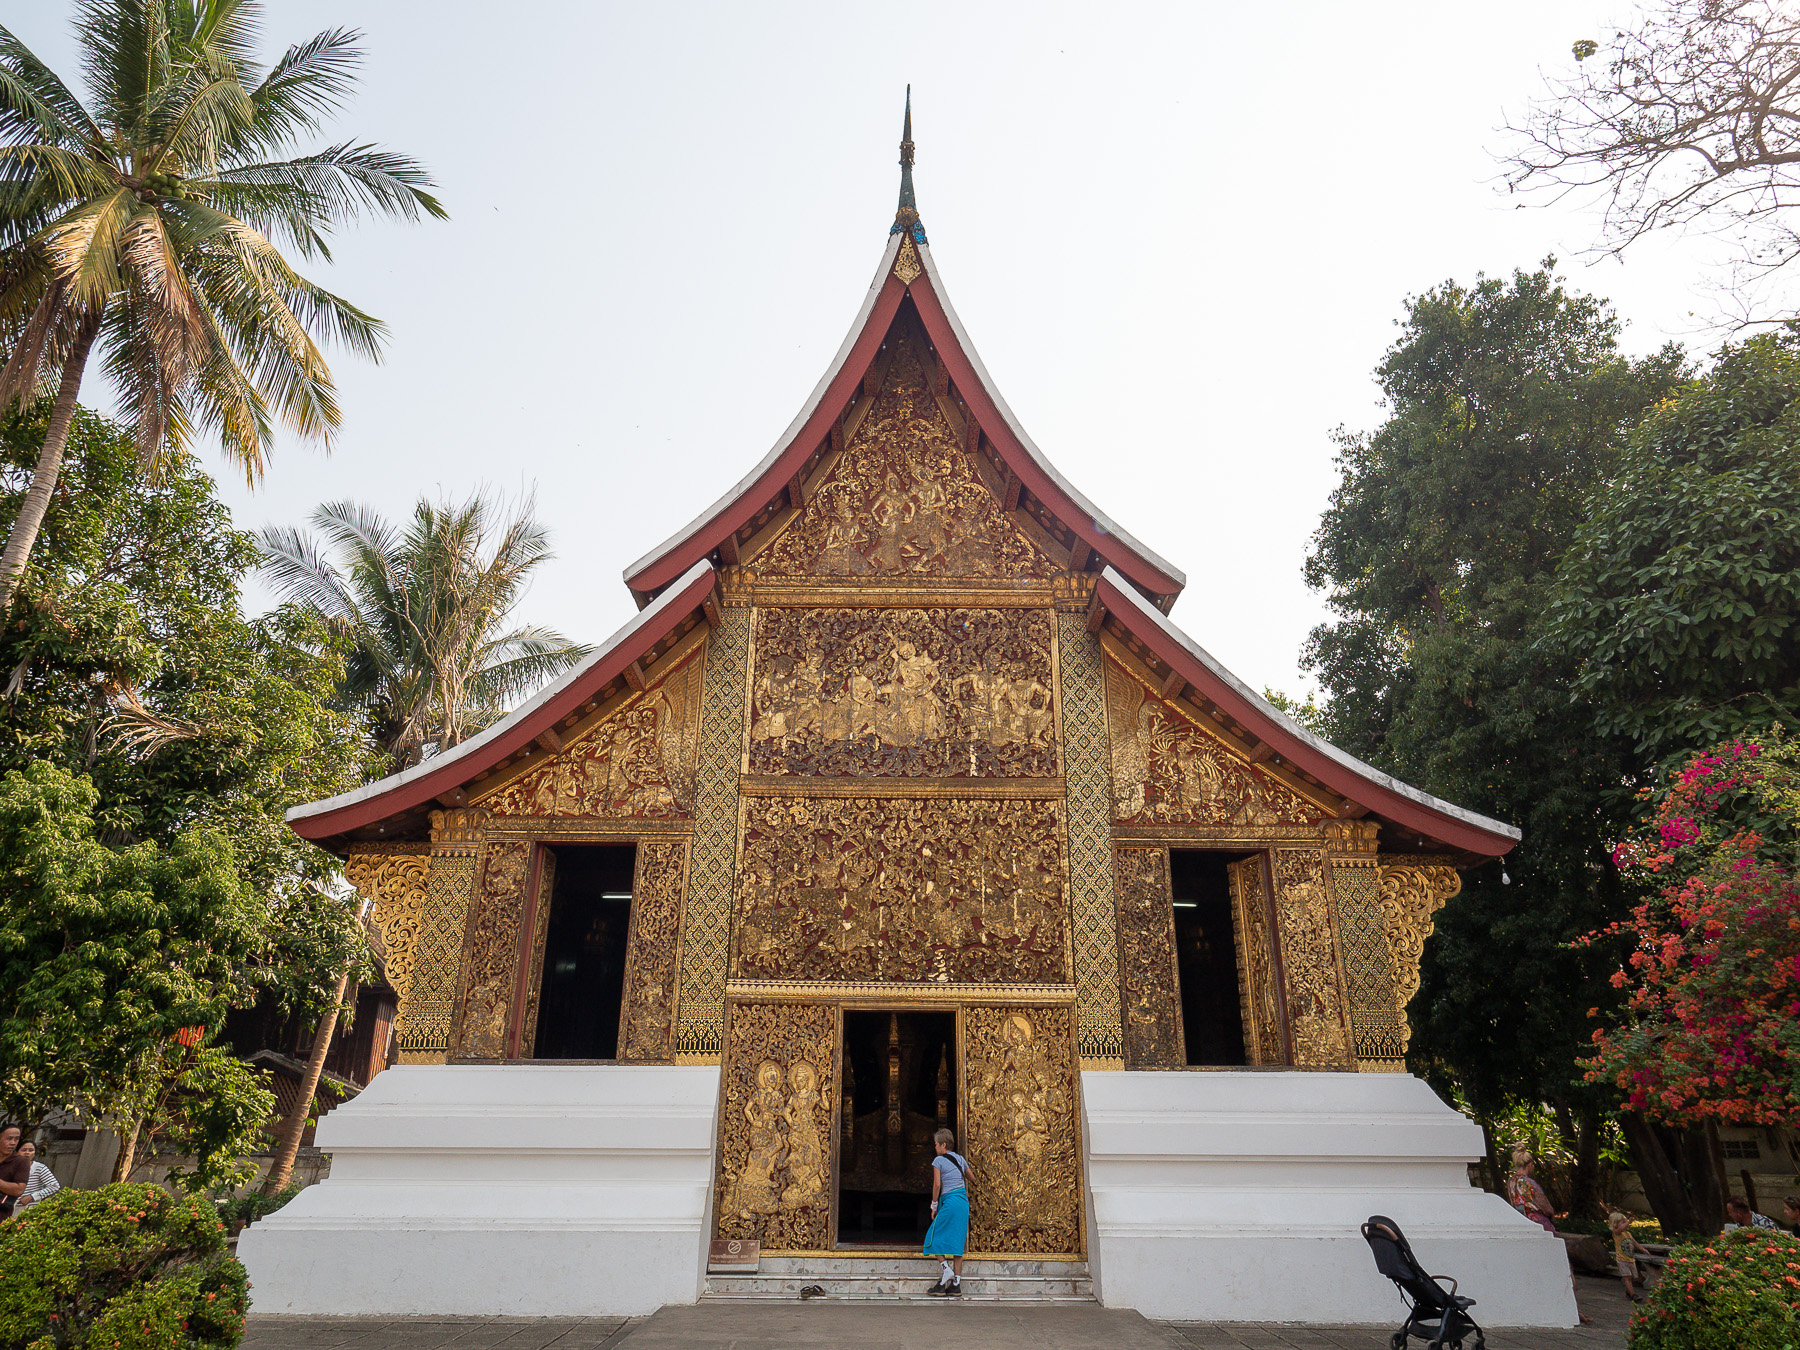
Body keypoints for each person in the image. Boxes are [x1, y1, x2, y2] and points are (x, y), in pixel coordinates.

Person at [923, 1128, 974, 1296]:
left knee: (932, 1237)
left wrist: (934, 1205)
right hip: (962, 1203)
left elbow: (937, 1185)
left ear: (943, 1145)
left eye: (936, 1144)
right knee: (958, 1243)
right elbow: (971, 1177)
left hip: (950, 1203)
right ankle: (956, 1284)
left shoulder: (938, 1160)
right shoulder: (960, 1159)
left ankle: (946, 1270)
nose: (935, 1147)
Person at [1505, 1147, 1556, 1233]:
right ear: (1529, 1164)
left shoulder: (1511, 1181)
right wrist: (1551, 1214)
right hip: (1535, 1219)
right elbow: (1544, 1205)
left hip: (1519, 1219)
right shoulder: (1529, 1182)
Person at [1608, 1211, 1652, 1302]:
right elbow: (1620, 1229)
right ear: (1615, 1225)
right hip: (1622, 1260)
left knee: (1632, 1277)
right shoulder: (1616, 1233)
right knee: (1627, 1277)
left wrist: (1643, 1250)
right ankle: (1633, 1295)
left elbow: (1635, 1243)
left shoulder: (1628, 1234)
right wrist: (1628, 1222)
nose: (1626, 1224)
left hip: (1630, 1259)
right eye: (1623, 1222)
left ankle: (1629, 1292)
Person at [13, 1141, 58, 1213]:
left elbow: (54, 1186)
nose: (27, 1153)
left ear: (34, 1153)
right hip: (9, 1207)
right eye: (23, 1150)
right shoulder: (9, 1167)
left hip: (30, 1209)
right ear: (17, 1152)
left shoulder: (39, 1168)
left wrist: (32, 1197)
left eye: (31, 1150)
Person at [0, 1126, 27, 1221]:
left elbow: (18, 1190)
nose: (13, 1143)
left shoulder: (20, 1162)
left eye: (16, 1139)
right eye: (9, 1138)